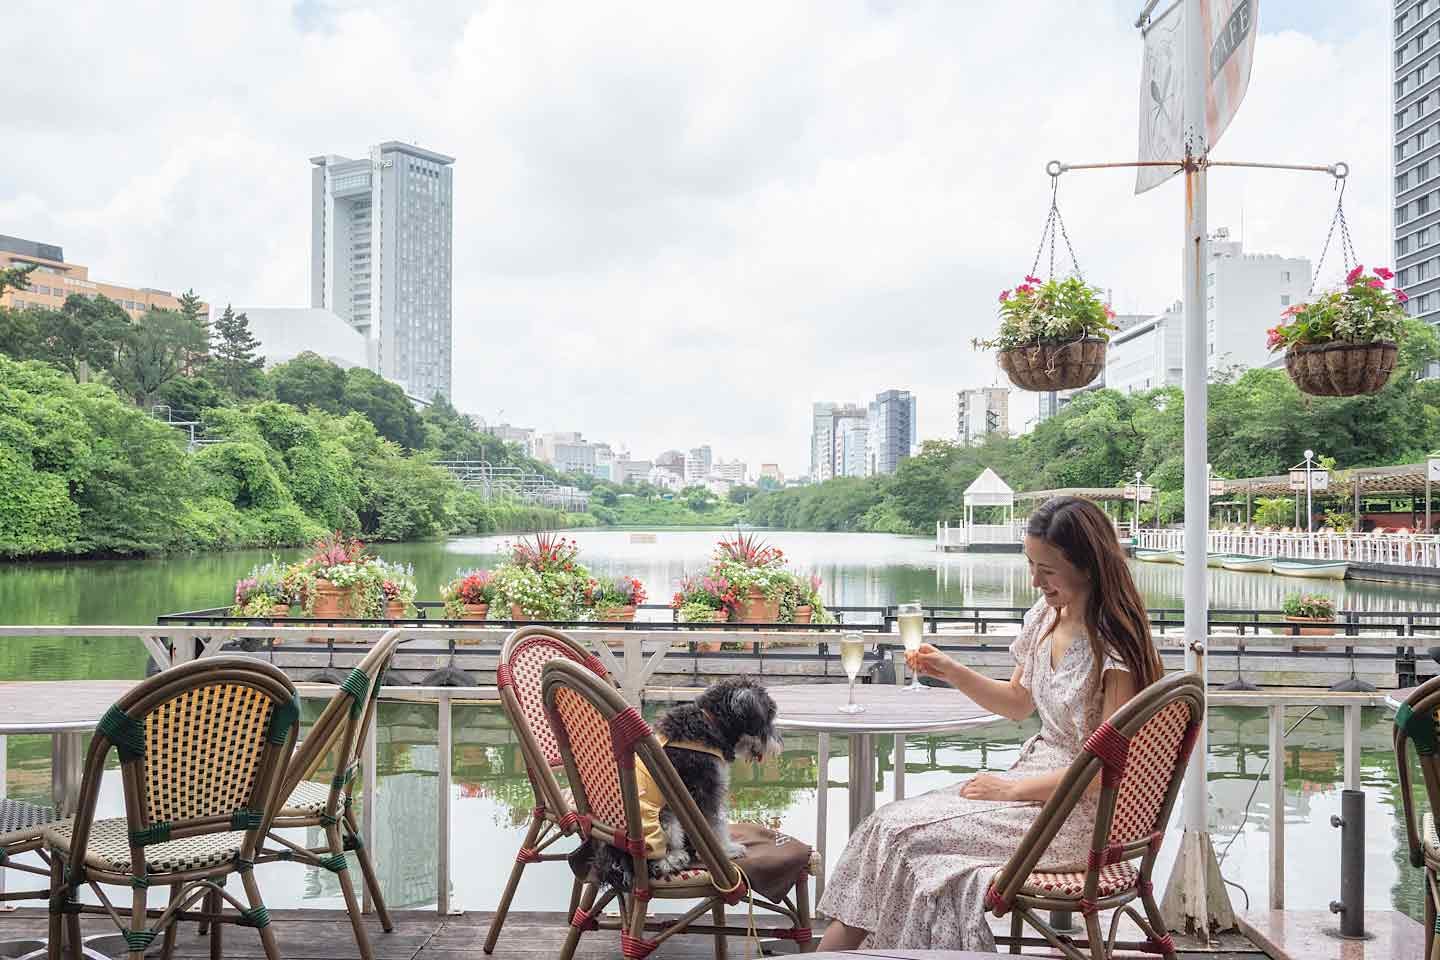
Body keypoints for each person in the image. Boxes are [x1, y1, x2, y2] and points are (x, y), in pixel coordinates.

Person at [815, 496, 1164, 952]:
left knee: (902, 834)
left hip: (1078, 817)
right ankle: (844, 953)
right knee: (887, 826)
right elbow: (1018, 704)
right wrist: (951, 670)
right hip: (1033, 789)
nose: (1035, 580)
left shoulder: (1114, 647)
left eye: (1048, 570)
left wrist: (1011, 790)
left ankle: (846, 954)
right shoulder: (1046, 616)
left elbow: (1104, 771)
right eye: (1030, 564)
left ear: (1089, 565)